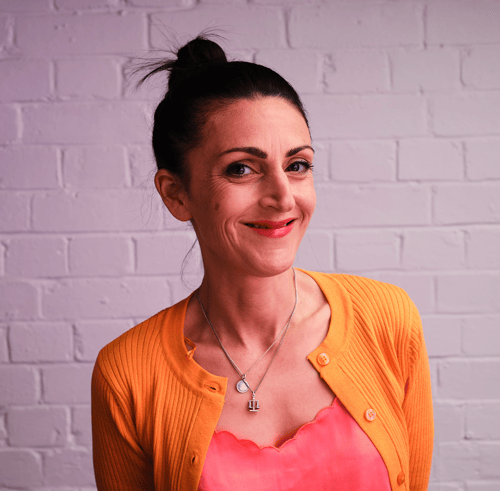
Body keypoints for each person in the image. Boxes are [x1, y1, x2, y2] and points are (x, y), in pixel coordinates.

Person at [91, 35, 434, 491]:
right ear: (176, 194)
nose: (283, 197)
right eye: (241, 168)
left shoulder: (388, 319)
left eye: (297, 165)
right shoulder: (128, 373)